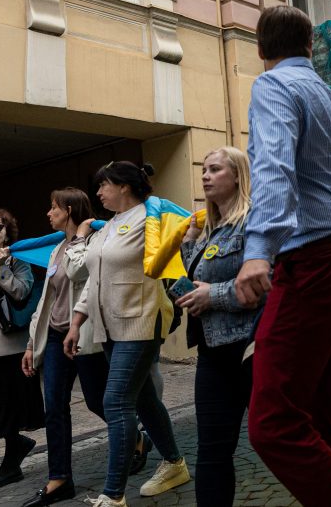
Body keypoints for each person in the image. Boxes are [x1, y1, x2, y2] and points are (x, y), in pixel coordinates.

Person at [235, 5, 331, 506]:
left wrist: (258, 251)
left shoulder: (273, 86)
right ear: (310, 45)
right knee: (318, 408)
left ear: (262, 50)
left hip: (308, 259)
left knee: (272, 423)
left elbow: (272, 167)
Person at [63, 162, 189, 507]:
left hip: (141, 322)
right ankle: (175, 464)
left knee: (116, 401)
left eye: (104, 185)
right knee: (146, 400)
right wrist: (77, 322)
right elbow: (93, 279)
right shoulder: (106, 227)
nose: (99, 192)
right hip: (107, 327)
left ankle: (113, 495)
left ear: (124, 186)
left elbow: (182, 242)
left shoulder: (150, 216)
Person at [177, 147, 262, 506]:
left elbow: (264, 283)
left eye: (214, 169)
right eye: (203, 170)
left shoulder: (256, 222)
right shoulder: (210, 230)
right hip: (212, 352)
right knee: (211, 451)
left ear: (238, 176)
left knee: (278, 439)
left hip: (250, 349)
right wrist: (188, 245)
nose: (205, 176)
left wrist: (215, 297)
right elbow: (203, 277)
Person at [20, 189, 110, 507]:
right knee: (54, 408)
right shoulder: (58, 248)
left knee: (99, 402)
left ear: (68, 209)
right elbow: (46, 303)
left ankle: (136, 437)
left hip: (83, 336)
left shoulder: (93, 242)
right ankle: (60, 479)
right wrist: (32, 344)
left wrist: (81, 237)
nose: (48, 213)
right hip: (57, 338)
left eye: (53, 207)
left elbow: (79, 271)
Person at [0, 208, 44, 491]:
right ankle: (17, 446)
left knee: (6, 405)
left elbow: (21, 292)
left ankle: (11, 463)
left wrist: (1, 267)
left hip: (7, 348)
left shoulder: (18, 262)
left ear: (7, 235)